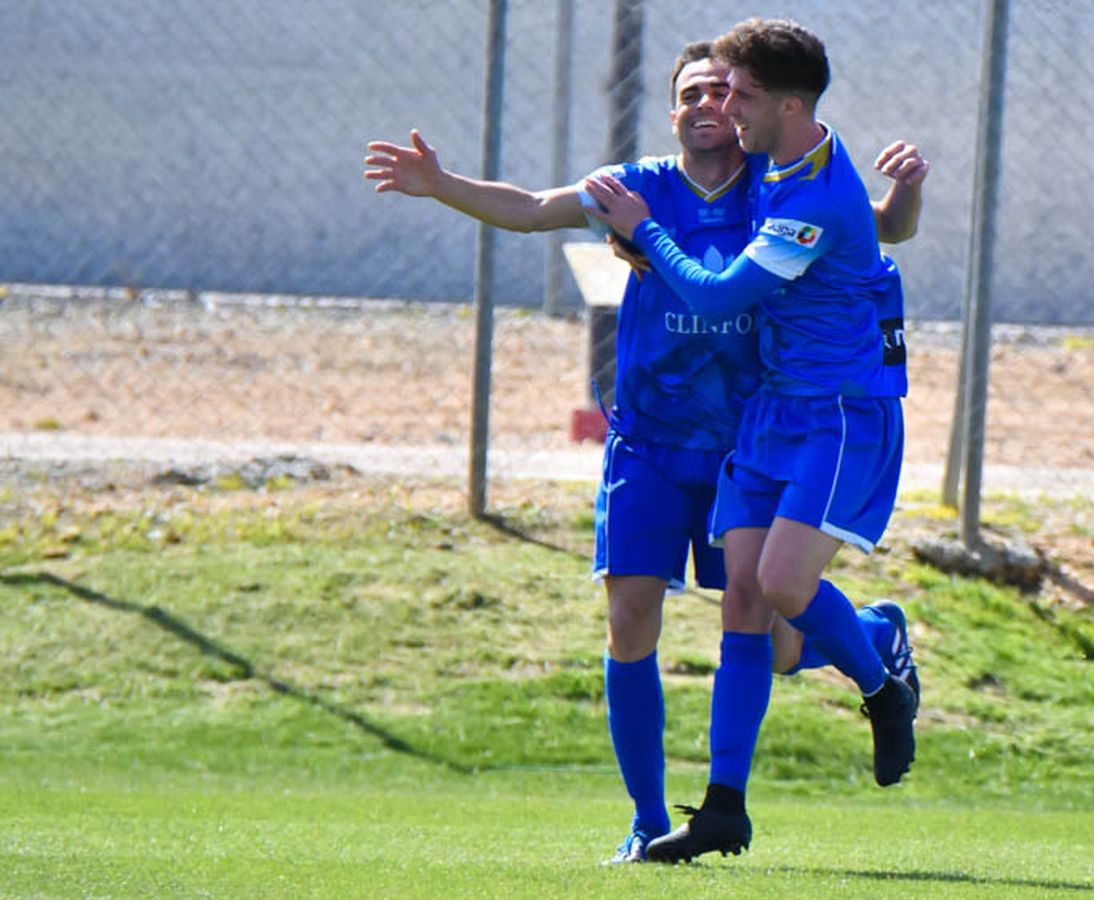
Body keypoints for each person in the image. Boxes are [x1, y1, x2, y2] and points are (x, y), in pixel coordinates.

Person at [363, 41, 927, 866]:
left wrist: (907, 191)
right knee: (630, 615)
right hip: (652, 442)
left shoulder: (776, 182)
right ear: (672, 113)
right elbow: (528, 208)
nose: (710, 105)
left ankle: (869, 646)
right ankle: (647, 817)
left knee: (769, 627)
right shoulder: (640, 186)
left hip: (749, 433)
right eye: (693, 93)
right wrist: (441, 185)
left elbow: (879, 229)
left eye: (723, 92)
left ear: (754, 107)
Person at [584, 18, 923, 864]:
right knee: (748, 605)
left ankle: (879, 674)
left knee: (774, 582)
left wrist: (643, 230)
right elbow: (882, 229)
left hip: (839, 410)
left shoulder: (807, 199)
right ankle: (723, 811)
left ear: (788, 103)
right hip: (772, 407)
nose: (720, 106)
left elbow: (709, 295)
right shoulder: (780, 156)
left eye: (735, 93)